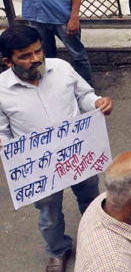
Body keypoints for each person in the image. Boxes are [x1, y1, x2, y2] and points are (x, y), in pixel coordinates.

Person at [0, 25, 112, 272]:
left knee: (91, 198)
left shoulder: (61, 68)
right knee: (49, 213)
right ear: (8, 61)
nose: (36, 59)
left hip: (78, 154)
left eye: (38, 51)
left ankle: (98, 237)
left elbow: (84, 96)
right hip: (38, 168)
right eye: (25, 56)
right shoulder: (1, 91)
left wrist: (97, 102)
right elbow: (3, 133)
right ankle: (58, 250)